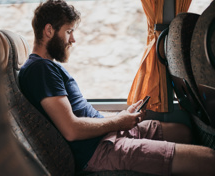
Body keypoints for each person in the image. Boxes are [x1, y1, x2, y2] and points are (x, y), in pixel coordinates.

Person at [18, 0, 215, 175]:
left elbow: (78, 116)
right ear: (49, 30)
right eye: (69, 31)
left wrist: (120, 117)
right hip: (97, 151)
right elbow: (71, 130)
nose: (73, 40)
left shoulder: (45, 67)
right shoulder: (40, 70)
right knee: (209, 158)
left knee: (183, 132)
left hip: (104, 135)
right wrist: (118, 122)